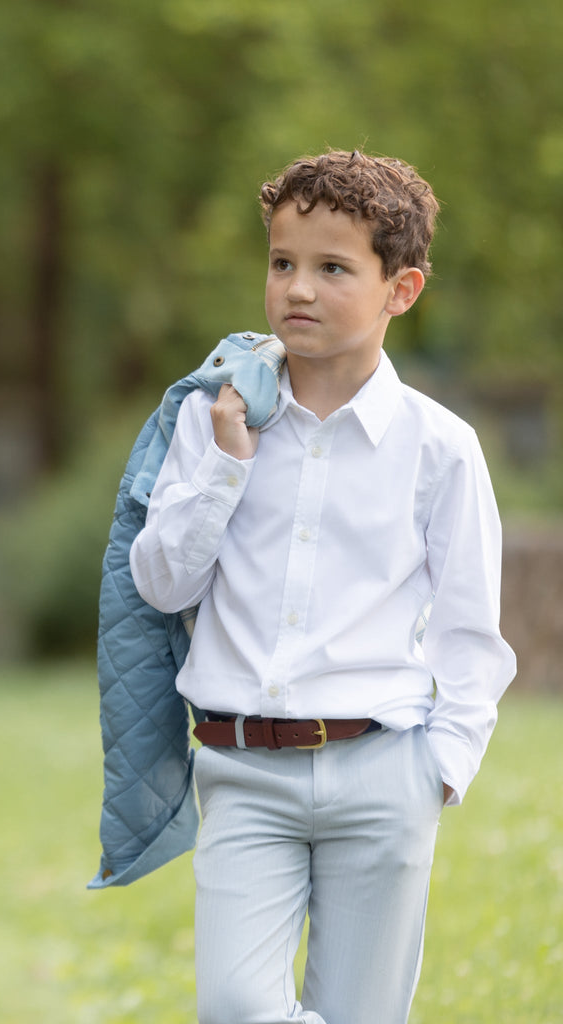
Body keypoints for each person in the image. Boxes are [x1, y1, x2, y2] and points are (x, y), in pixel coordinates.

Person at [128, 149, 516, 1024]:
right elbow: (160, 584)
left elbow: (469, 632)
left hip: (385, 773)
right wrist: (226, 467)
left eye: (332, 268)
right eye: (281, 263)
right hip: (244, 770)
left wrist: (441, 769)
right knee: (234, 1006)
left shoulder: (439, 447)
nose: (297, 289)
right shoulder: (213, 415)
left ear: (401, 290)